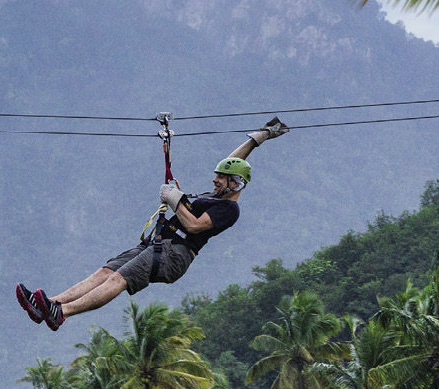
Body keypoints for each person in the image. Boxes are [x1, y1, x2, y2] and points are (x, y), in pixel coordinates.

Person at [16, 118, 289, 331]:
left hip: (175, 254)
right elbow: (234, 162)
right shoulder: (217, 194)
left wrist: (175, 200)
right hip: (161, 243)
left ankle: (61, 314)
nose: (215, 180)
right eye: (217, 176)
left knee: (118, 279)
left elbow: (193, 226)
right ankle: (51, 304)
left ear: (235, 183)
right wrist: (258, 138)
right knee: (104, 272)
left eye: (221, 178)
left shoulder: (229, 209)